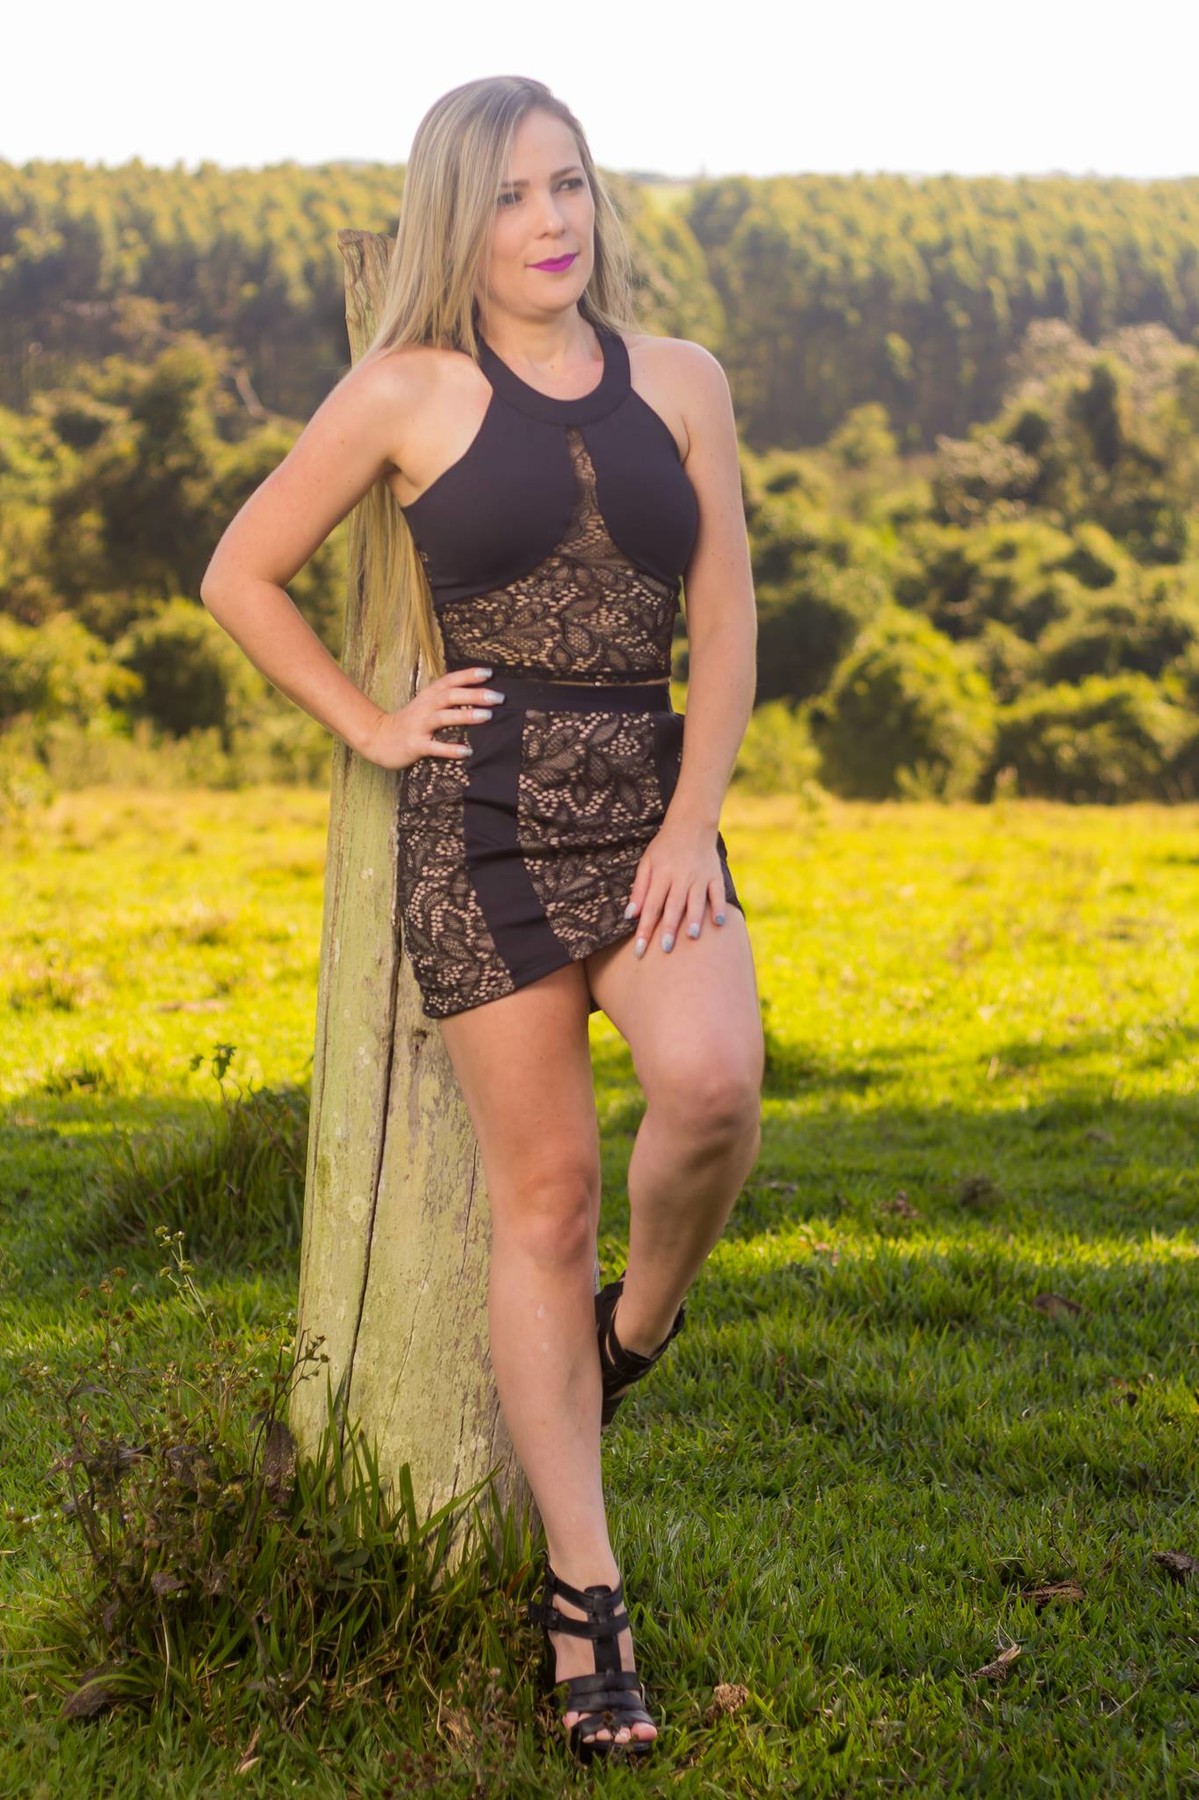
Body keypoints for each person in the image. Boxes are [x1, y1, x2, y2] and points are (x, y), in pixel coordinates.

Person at [200, 74, 764, 1762]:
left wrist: (693, 818)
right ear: (461, 216)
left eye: (570, 186)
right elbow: (240, 571)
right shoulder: (405, 391)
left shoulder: (682, 380)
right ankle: (587, 1601)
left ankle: (633, 1331)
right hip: (487, 827)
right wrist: (374, 725)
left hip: (650, 815)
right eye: (515, 195)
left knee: (713, 1089)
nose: (551, 222)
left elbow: (726, 614)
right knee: (548, 1196)